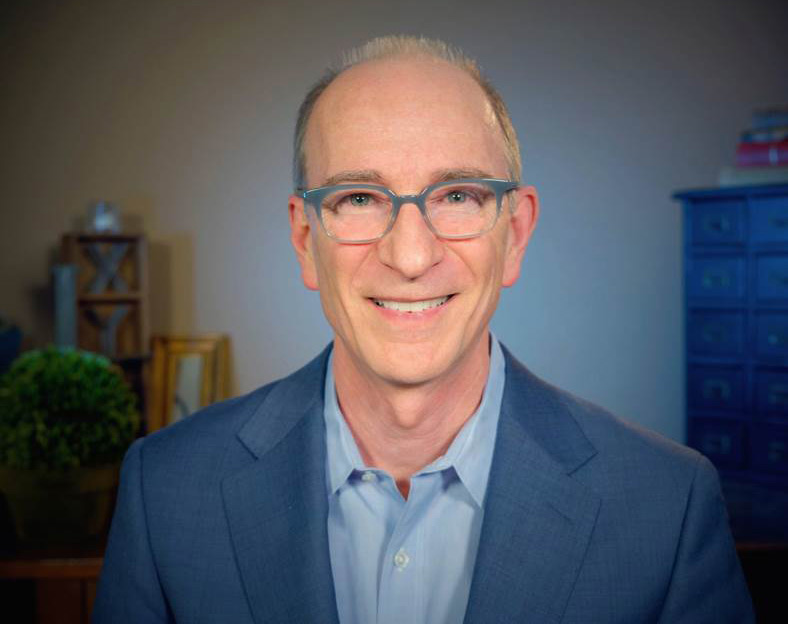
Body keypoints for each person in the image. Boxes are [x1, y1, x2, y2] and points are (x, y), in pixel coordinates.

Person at [93, 36, 754, 623]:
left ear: (516, 234)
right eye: (358, 197)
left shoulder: (667, 508)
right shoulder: (167, 493)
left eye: (458, 195)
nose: (410, 257)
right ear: (304, 239)